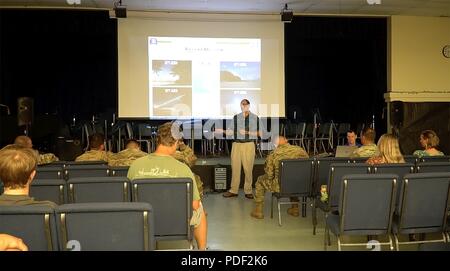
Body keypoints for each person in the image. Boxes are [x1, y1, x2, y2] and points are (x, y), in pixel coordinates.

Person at [127, 122, 207, 250]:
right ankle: (202, 250)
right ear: (176, 142)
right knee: (200, 208)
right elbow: (195, 205)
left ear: (157, 140)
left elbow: (129, 200)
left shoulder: (136, 165)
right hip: (176, 223)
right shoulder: (183, 169)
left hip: (143, 221)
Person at [250, 135, 309, 219]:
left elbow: (269, 175)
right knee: (292, 177)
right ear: (286, 140)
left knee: (260, 180)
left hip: (280, 186)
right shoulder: (300, 150)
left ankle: (258, 211)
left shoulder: (273, 154)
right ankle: (295, 208)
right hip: (298, 185)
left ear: (274, 144)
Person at [217, 99, 261, 199]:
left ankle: (248, 191)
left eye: (246, 104)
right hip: (236, 145)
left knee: (248, 169)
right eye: (242, 104)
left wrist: (247, 132)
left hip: (248, 145)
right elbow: (230, 132)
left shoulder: (254, 118)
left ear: (249, 105)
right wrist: (222, 131)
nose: (244, 106)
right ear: (240, 106)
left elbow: (260, 133)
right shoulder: (236, 117)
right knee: (235, 168)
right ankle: (233, 190)